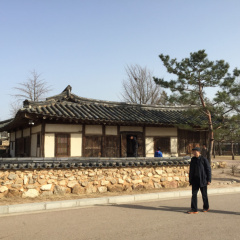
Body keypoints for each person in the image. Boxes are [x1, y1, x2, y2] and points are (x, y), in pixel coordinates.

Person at [187, 147, 211, 214]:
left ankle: (206, 207)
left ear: (199, 152)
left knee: (204, 195)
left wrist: (209, 180)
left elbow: (208, 170)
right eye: (193, 151)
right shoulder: (193, 159)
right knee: (194, 194)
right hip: (195, 180)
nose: (194, 153)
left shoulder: (204, 159)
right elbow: (191, 170)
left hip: (203, 180)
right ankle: (194, 209)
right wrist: (190, 179)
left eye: (195, 151)